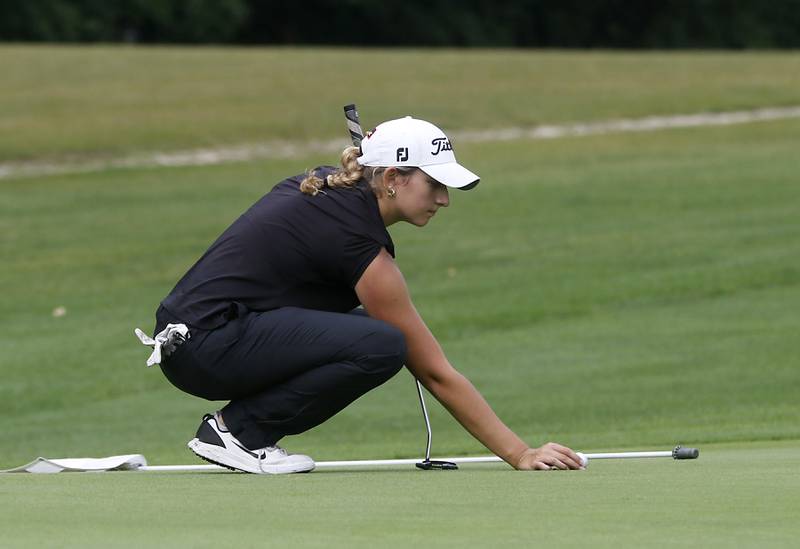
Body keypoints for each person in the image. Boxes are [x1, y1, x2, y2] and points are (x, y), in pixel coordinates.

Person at [139, 116, 584, 474]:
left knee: (369, 332)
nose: (445, 199)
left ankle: (237, 430)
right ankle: (240, 432)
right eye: (434, 184)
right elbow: (434, 370)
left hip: (202, 341)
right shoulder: (354, 239)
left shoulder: (334, 193)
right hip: (208, 346)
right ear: (392, 177)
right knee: (384, 343)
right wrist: (519, 452)